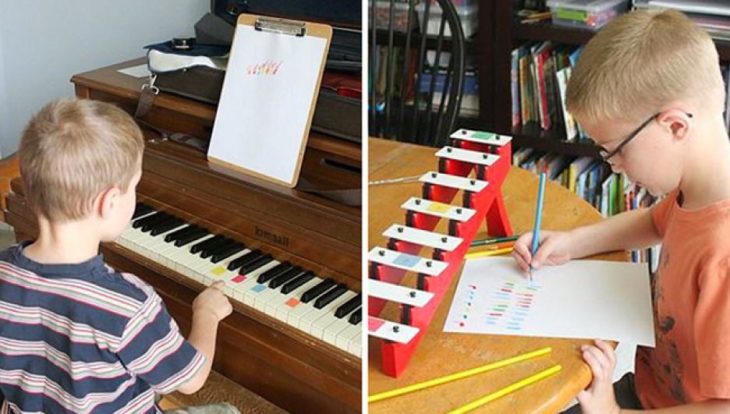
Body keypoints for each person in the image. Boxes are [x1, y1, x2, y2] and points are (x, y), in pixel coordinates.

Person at [512, 9, 730, 414]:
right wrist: (572, 243)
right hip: (651, 389)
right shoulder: (699, 189)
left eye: (616, 151)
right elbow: (653, 221)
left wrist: (614, 412)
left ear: (675, 126)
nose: (615, 166)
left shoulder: (724, 254)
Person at [0, 98, 235, 413]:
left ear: (28, 189)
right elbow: (190, 382)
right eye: (134, 186)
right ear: (108, 202)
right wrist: (207, 313)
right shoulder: (127, 305)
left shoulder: (3, 269)